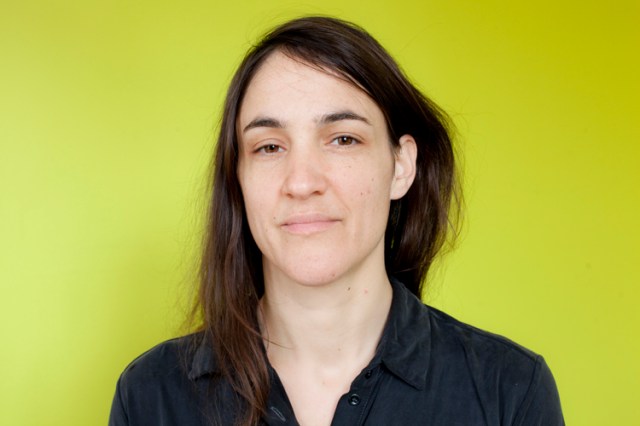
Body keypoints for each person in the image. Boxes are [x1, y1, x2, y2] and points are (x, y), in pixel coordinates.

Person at [109, 16, 563, 426]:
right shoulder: (150, 395)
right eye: (269, 146)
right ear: (238, 179)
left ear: (401, 166)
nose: (302, 182)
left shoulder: (510, 391)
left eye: (343, 139)